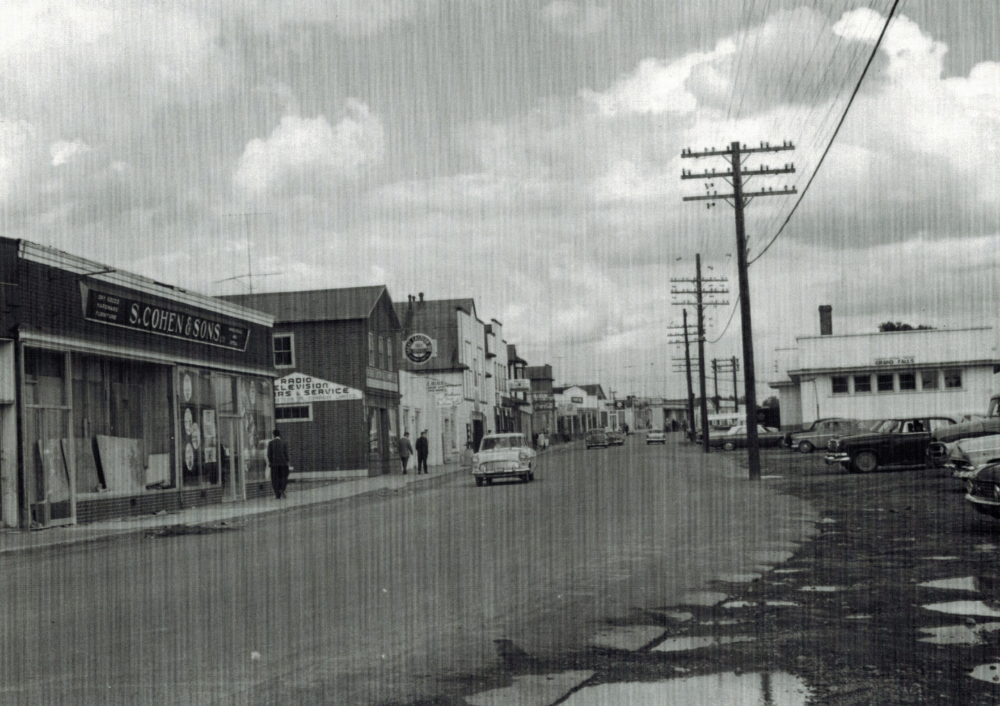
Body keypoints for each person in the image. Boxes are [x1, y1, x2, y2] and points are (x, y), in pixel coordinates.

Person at [267, 429, 291, 499]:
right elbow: (286, 454)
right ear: (279, 434)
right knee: (283, 477)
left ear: (273, 435)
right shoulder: (284, 443)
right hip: (283, 464)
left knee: (275, 479)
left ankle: (277, 494)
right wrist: (287, 461)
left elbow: (269, 455)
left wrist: (271, 461)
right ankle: (282, 489)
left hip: (274, 465)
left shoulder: (270, 443)